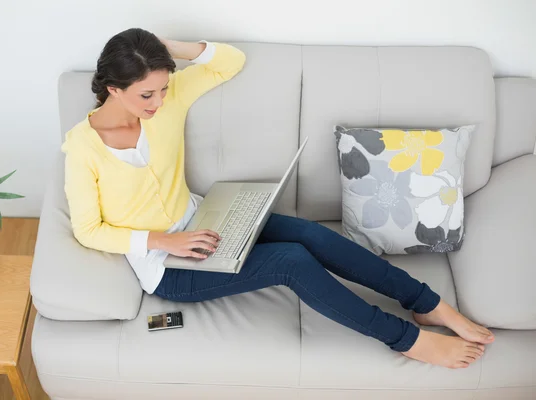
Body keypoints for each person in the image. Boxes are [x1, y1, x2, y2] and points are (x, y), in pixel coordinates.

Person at [61, 28, 495, 369]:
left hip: (205, 218)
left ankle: (427, 305)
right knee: (290, 261)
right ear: (113, 90)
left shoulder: (164, 105)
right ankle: (406, 340)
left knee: (311, 236)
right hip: (169, 268)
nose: (159, 101)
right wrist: (161, 241)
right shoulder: (83, 147)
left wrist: (164, 46)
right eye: (146, 94)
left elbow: (229, 61)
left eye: (163, 89)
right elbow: (87, 230)